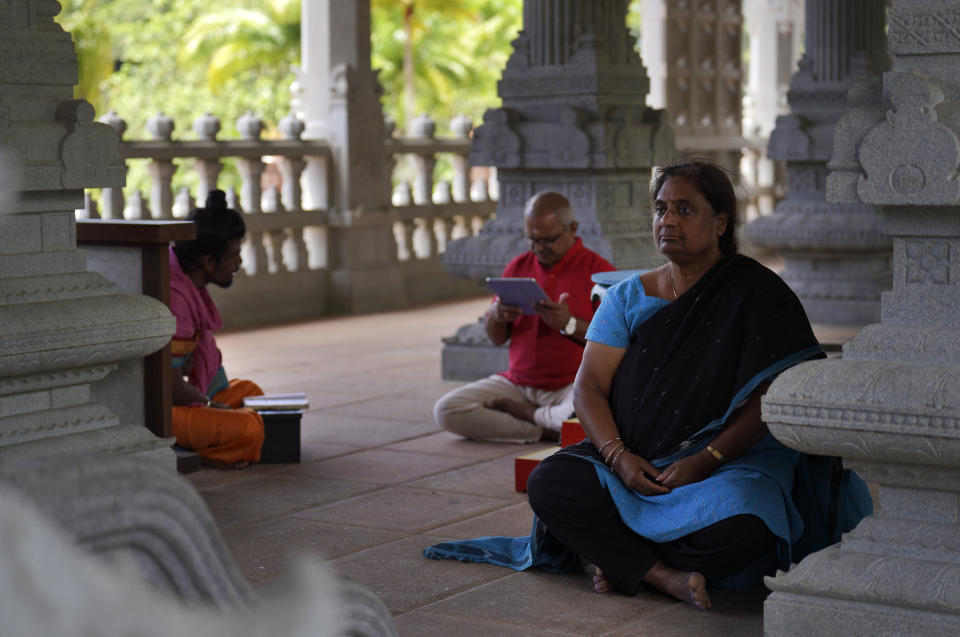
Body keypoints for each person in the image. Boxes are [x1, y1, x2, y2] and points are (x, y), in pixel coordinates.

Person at [423, 161, 872, 609]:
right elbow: (590, 388)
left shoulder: (756, 292)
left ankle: (616, 556)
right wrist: (619, 459)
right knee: (549, 485)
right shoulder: (627, 297)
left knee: (747, 525)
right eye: (660, 209)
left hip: (724, 467)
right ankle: (662, 575)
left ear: (720, 222)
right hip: (632, 461)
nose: (667, 221)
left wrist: (704, 459)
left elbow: (773, 393)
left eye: (684, 209)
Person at [433, 191, 615, 442]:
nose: (539, 248)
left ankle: (531, 416)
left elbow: (612, 343)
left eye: (548, 240)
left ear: (573, 228)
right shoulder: (517, 267)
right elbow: (496, 338)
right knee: (447, 410)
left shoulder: (599, 272)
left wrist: (568, 324)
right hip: (518, 383)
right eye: (532, 239)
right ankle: (541, 428)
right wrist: (496, 317)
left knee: (598, 413)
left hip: (570, 386)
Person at [169, 190, 265, 468]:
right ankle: (208, 453)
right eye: (234, 255)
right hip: (157, 416)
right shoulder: (177, 298)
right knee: (250, 427)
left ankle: (216, 437)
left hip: (179, 401)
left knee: (251, 393)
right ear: (208, 261)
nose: (239, 263)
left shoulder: (190, 285)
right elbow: (171, 389)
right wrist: (212, 406)